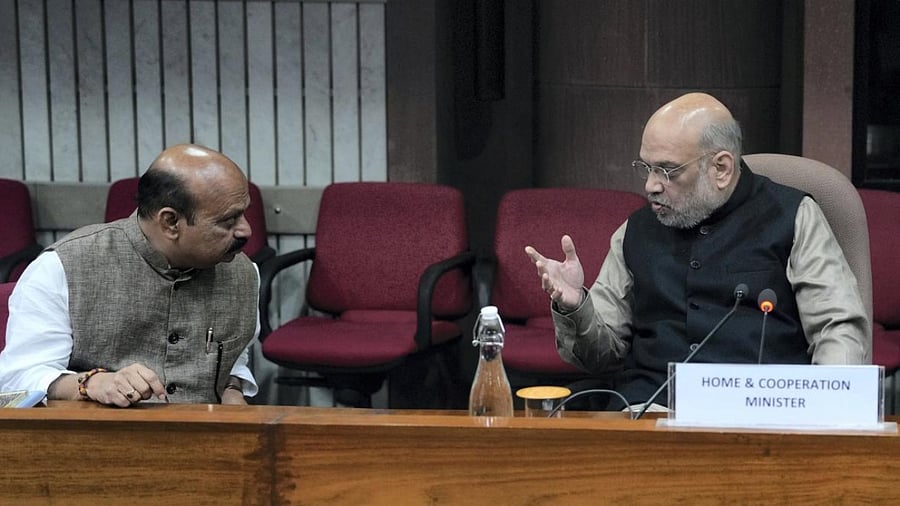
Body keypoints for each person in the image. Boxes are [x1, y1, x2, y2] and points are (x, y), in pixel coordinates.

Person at [525, 93, 869, 411]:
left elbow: (837, 329)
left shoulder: (793, 216)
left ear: (721, 168)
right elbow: (600, 357)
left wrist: (827, 417)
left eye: (668, 170)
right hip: (650, 416)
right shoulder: (635, 231)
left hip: (762, 414)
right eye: (646, 167)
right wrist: (575, 308)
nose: (651, 185)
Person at [0, 143, 261, 407]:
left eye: (244, 213)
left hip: (205, 439)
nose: (246, 231)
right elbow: (18, 377)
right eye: (228, 221)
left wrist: (232, 389)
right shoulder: (64, 267)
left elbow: (232, 360)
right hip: (96, 439)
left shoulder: (244, 274)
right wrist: (91, 383)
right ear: (170, 222)